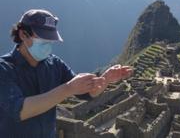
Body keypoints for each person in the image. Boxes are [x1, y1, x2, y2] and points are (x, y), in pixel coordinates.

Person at [0, 9, 133, 138]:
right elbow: (20, 111)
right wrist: (68, 88)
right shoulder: (4, 68)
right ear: (23, 34)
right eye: (43, 39)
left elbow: (85, 93)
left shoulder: (54, 64)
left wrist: (105, 79)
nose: (48, 44)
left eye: (50, 40)